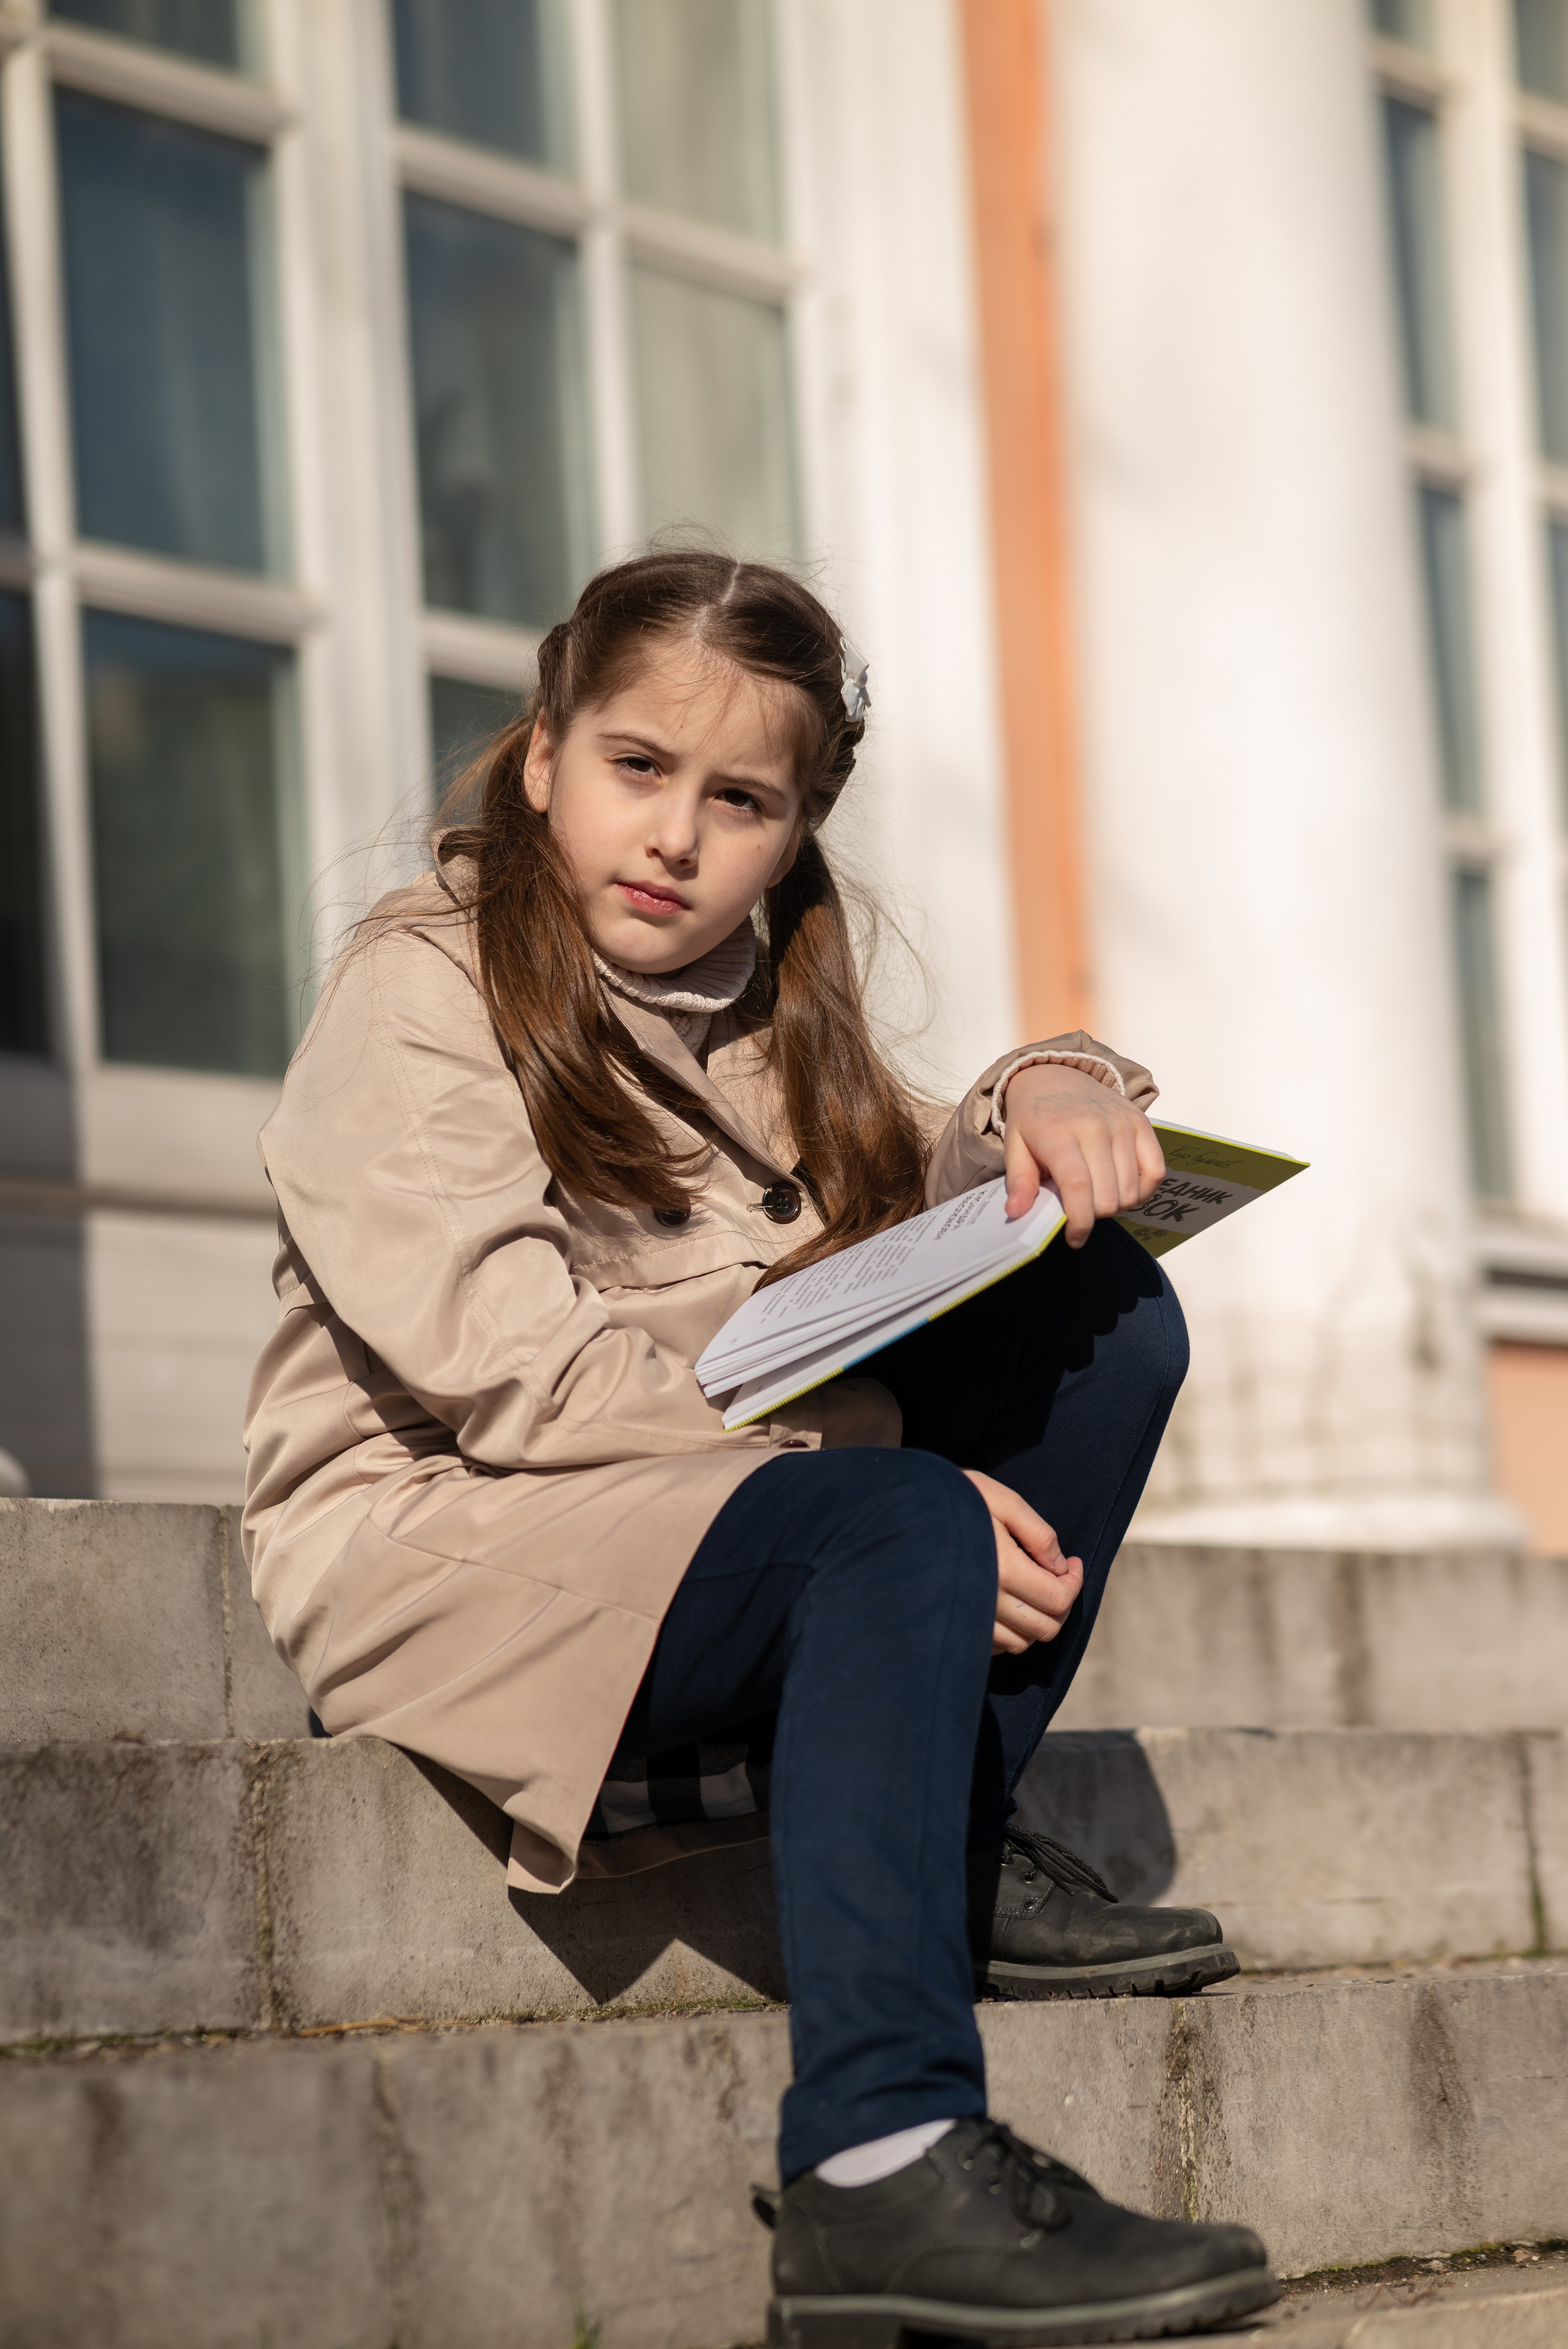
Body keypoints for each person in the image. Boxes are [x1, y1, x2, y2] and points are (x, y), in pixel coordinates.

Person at [243, 550, 1276, 2343]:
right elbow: (514, 1382)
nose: (676, 838)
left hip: (697, 1523)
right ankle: (878, 2156)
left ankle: (942, 1843)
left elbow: (892, 1226)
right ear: (545, 754)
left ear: (796, 827)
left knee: (1099, 1309)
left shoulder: (760, 1008)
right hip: (448, 1541)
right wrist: (871, 1471)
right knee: (886, 1521)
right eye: (640, 767)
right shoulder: (414, 990)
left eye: (742, 800)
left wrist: (1039, 1088)